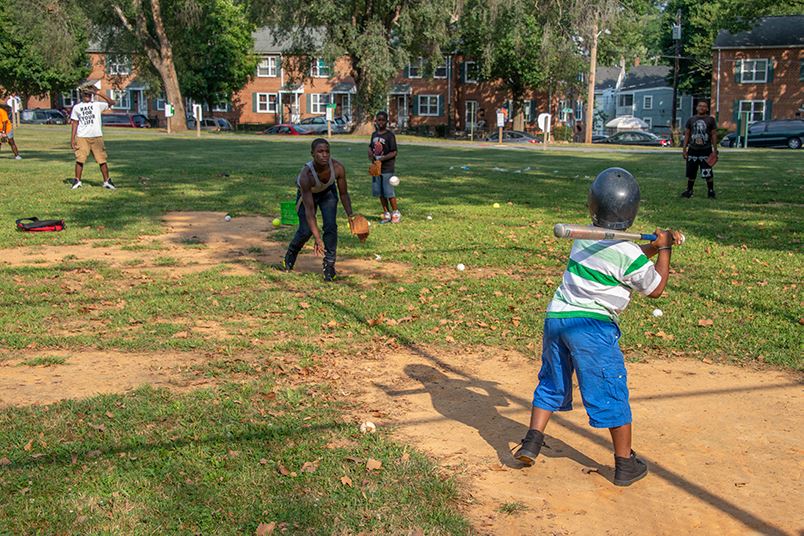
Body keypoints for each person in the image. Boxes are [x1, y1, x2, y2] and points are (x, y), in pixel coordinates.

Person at [512, 167, 682, 487]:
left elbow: (624, 260)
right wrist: (666, 249)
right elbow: (654, 286)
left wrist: (655, 248)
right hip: (592, 328)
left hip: (557, 319)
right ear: (631, 210)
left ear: (594, 206)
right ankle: (625, 463)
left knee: (551, 382)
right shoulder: (627, 253)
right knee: (610, 390)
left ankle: (532, 441)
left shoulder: (584, 238)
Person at [282, 138, 356, 282]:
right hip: (308, 195)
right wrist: (317, 238)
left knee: (330, 226)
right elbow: (310, 212)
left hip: (328, 192)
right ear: (312, 154)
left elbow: (343, 194)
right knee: (306, 230)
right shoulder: (306, 176)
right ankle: (291, 254)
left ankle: (329, 265)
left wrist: (351, 216)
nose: (324, 155)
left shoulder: (337, 168)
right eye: (320, 152)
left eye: (327, 151)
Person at [69, 87, 116, 190]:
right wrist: (72, 139)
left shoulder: (97, 105)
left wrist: (98, 93)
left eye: (89, 95)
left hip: (96, 136)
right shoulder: (77, 107)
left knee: (101, 159)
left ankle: (107, 181)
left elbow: (112, 102)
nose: (87, 96)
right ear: (82, 95)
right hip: (82, 137)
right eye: (85, 94)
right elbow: (75, 123)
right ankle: (77, 180)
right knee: (80, 159)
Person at [681, 100, 718, 199]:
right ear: (696, 107)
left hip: (706, 149)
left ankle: (710, 191)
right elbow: (687, 134)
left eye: (704, 106)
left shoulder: (710, 120)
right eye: (700, 106)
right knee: (691, 171)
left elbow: (714, 134)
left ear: (707, 108)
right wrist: (684, 149)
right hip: (693, 149)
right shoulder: (691, 120)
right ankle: (689, 190)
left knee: (707, 171)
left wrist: (715, 149)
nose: (702, 108)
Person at [368, 111, 400, 223]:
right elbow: (370, 147)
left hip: (387, 168)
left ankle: (395, 213)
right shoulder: (374, 135)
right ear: (376, 121)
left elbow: (394, 152)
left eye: (382, 120)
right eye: (378, 120)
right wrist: (370, 154)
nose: (380, 122)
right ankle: (386, 213)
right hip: (376, 168)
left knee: (388, 192)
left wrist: (382, 158)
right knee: (379, 192)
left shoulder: (390, 135)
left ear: (386, 121)